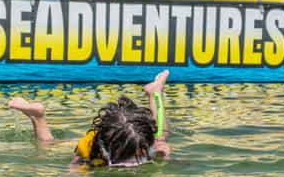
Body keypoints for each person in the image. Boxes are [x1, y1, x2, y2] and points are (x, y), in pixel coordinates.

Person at [9, 70, 172, 168]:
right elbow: (73, 168)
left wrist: (165, 157)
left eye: (140, 156)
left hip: (137, 133)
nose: (132, 164)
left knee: (161, 136)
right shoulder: (90, 150)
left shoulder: (144, 140)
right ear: (108, 151)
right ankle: (38, 118)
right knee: (48, 147)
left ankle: (155, 92)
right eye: (130, 158)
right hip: (104, 142)